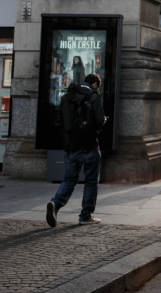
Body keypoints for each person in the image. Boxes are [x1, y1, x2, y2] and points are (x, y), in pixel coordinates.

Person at [46, 73, 106, 227]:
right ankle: (85, 216)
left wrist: (67, 139)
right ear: (94, 84)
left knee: (69, 179)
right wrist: (102, 122)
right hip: (89, 147)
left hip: (70, 147)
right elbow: (99, 121)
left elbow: (58, 122)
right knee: (91, 181)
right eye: (98, 86)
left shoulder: (67, 96)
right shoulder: (93, 97)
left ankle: (55, 203)